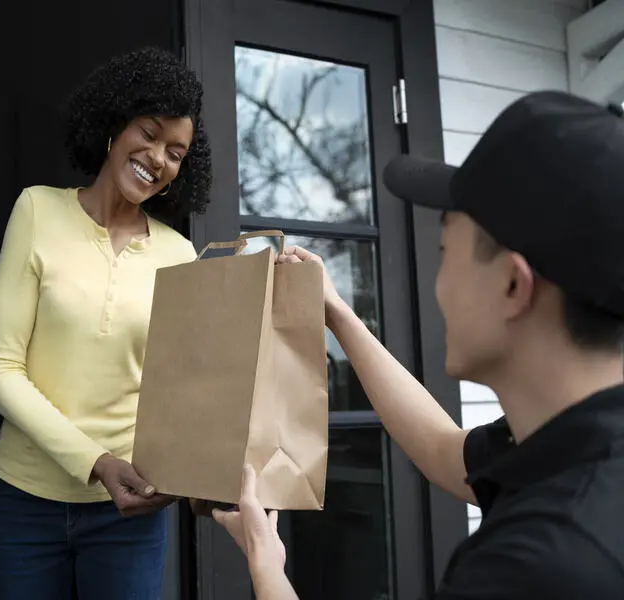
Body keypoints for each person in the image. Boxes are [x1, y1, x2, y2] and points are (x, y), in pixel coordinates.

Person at [214, 90, 624, 598]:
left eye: (445, 250)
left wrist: (265, 566)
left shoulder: (538, 565)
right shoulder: (571, 448)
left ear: (512, 285)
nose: (437, 283)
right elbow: (443, 449)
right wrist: (338, 314)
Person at [0, 47, 212, 600]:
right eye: (148, 133)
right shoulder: (37, 210)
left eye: (175, 153)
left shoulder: (180, 256)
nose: (158, 158)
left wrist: (189, 472)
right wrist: (96, 462)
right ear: (114, 123)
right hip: (21, 507)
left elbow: (183, 391)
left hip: (127, 518)